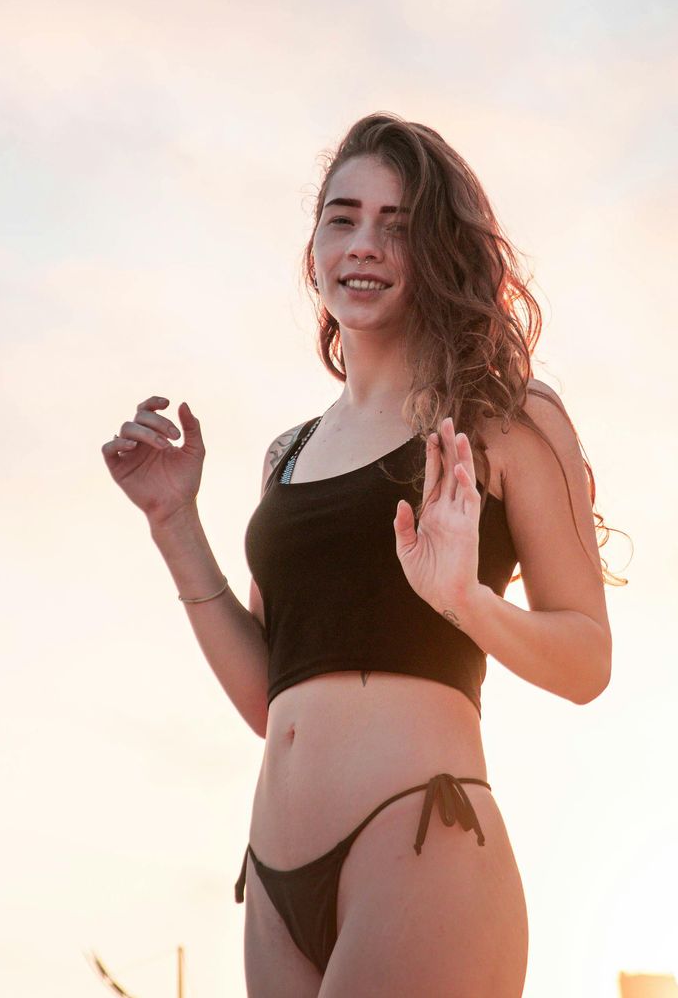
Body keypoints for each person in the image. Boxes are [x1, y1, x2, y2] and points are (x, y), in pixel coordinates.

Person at [101, 112, 617, 997]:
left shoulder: (509, 419)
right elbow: (273, 698)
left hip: (421, 842)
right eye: (343, 218)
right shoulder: (288, 454)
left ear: (440, 252)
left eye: (399, 225)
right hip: (274, 874)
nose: (364, 244)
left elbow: (587, 661)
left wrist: (467, 603)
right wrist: (172, 522)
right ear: (314, 245)